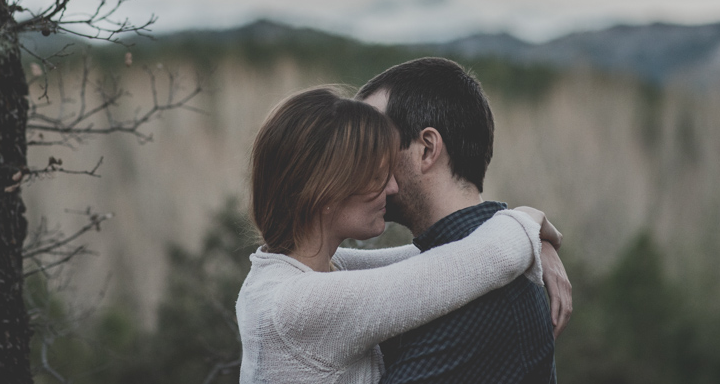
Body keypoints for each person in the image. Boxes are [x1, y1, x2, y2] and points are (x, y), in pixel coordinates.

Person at [236, 85, 565, 384]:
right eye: (376, 175)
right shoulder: (300, 306)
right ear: (324, 191)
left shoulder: (290, 275)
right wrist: (529, 221)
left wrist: (529, 235)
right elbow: (474, 264)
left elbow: (434, 259)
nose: (391, 187)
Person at [356, 57, 572, 384]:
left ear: (427, 149)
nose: (357, 163)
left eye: (374, 143)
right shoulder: (458, 266)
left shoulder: (486, 297)